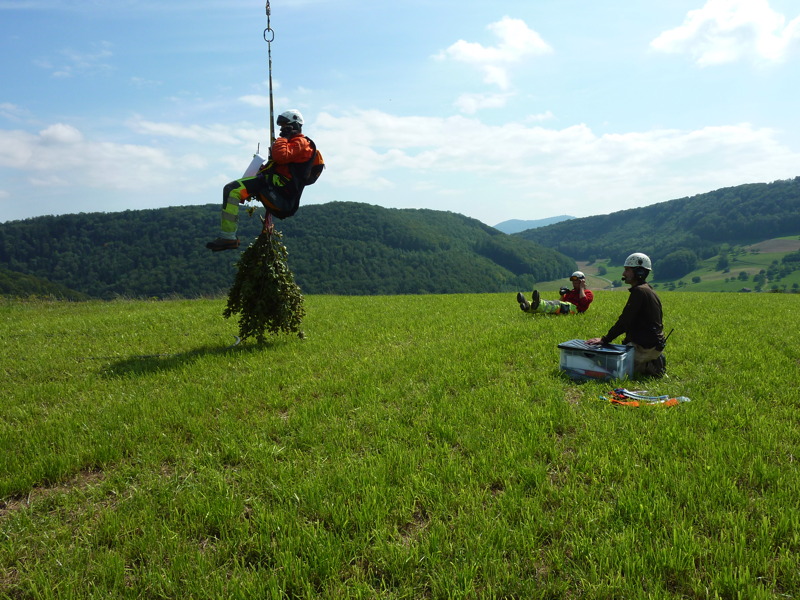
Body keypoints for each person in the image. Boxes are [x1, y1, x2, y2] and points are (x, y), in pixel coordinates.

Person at [206, 109, 314, 251]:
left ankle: (228, 237)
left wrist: (282, 139)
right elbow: (281, 161)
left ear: (295, 125)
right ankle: (228, 236)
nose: (282, 129)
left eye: (285, 126)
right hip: (273, 181)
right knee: (232, 190)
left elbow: (281, 156)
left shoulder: (301, 142)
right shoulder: (292, 142)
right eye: (281, 127)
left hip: (279, 185)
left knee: (232, 190)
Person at [586, 252, 666, 377]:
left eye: (627, 270)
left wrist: (604, 340)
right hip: (653, 345)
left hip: (644, 347)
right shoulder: (647, 289)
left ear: (639, 272)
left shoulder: (639, 292)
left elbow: (624, 321)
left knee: (605, 367)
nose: (624, 274)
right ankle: (650, 361)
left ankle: (649, 365)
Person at [516, 271, 594, 315]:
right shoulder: (571, 292)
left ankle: (538, 304)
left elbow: (584, 301)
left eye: (576, 281)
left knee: (556, 305)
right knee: (552, 303)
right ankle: (528, 305)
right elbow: (561, 302)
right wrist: (563, 295)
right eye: (573, 281)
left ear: (582, 281)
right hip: (565, 308)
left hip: (575, 310)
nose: (574, 283)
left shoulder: (588, 293)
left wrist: (581, 288)